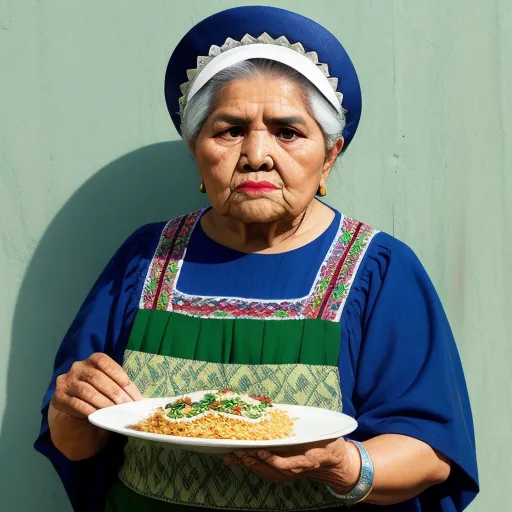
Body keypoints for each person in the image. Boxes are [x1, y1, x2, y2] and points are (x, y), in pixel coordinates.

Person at [35, 6, 479, 512]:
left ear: (329, 155)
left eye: (288, 132)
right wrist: (71, 409)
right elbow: (76, 442)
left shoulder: (379, 270)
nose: (257, 154)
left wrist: (339, 463)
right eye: (229, 130)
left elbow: (428, 452)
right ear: (196, 149)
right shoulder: (146, 258)